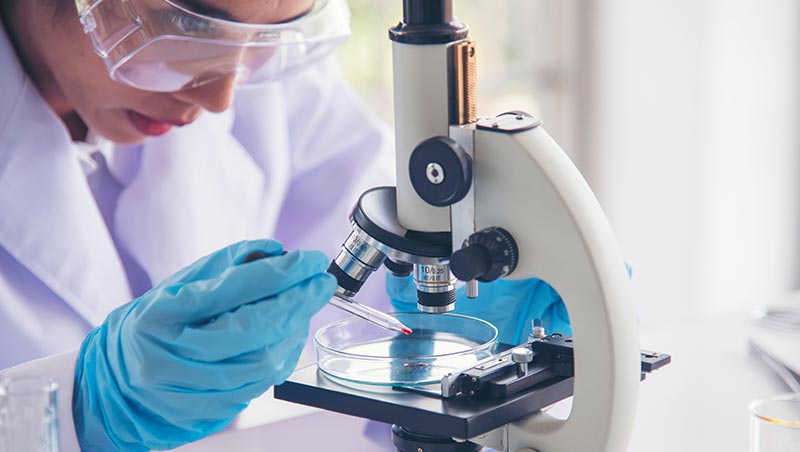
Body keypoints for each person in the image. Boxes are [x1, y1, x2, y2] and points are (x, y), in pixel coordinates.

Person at [0, 0, 569, 450]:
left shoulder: (261, 73)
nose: (221, 97)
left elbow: (373, 257)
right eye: (185, 24)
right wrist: (73, 410)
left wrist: (472, 297)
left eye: (264, 40)